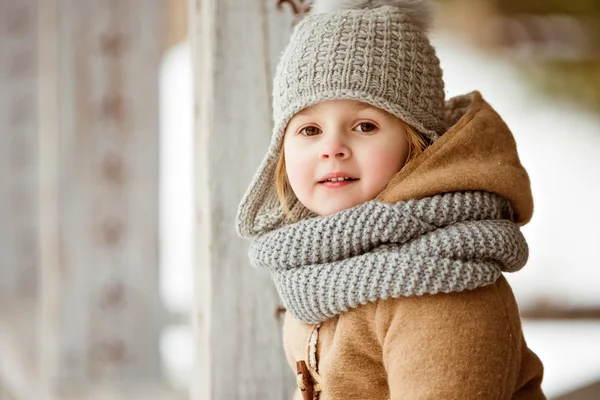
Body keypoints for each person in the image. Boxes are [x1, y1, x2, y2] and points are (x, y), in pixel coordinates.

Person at [236, 0, 545, 398]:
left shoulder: (438, 283)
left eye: (365, 125)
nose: (332, 147)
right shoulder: (317, 265)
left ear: (417, 145)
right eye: (309, 129)